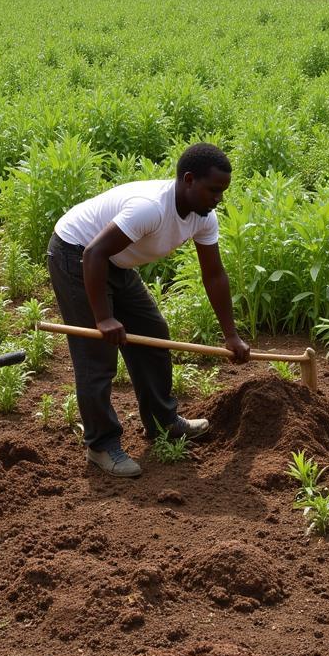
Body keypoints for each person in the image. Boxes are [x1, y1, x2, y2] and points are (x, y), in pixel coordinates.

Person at [48, 143, 251, 478]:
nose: (219, 199)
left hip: (113, 260)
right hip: (76, 251)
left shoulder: (203, 218)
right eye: (214, 190)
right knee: (97, 354)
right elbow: (93, 254)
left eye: (222, 192)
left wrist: (231, 335)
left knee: (153, 334)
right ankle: (101, 445)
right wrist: (103, 317)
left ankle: (162, 421)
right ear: (188, 180)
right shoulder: (150, 209)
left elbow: (214, 275)